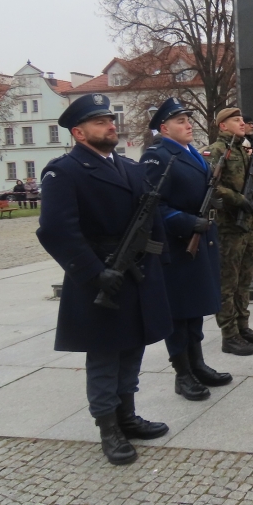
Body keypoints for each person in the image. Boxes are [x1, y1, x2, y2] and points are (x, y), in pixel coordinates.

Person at [36, 94, 172, 465]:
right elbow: (56, 230)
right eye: (100, 122)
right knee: (105, 355)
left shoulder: (129, 167)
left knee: (133, 346)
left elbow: (151, 218)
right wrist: (94, 273)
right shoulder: (63, 171)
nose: (111, 126)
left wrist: (160, 262)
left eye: (110, 120)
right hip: (100, 274)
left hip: (136, 272)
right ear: (79, 133)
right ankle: (108, 427)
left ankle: (127, 415)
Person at [141, 98, 231, 401]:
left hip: (201, 241)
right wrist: (187, 221)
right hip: (178, 245)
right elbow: (153, 205)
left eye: (188, 119)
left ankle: (198, 365)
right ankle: (183, 374)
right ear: (164, 128)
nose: (188, 125)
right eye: (180, 121)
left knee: (195, 308)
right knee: (179, 313)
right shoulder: (157, 156)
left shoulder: (191, 153)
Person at [205, 108, 253, 355]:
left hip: (248, 226)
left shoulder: (243, 150)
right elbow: (211, 185)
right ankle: (229, 335)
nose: (242, 123)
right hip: (229, 227)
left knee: (244, 280)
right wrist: (238, 199)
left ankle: (243, 326)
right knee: (228, 283)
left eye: (243, 119)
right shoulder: (215, 151)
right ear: (223, 125)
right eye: (236, 120)